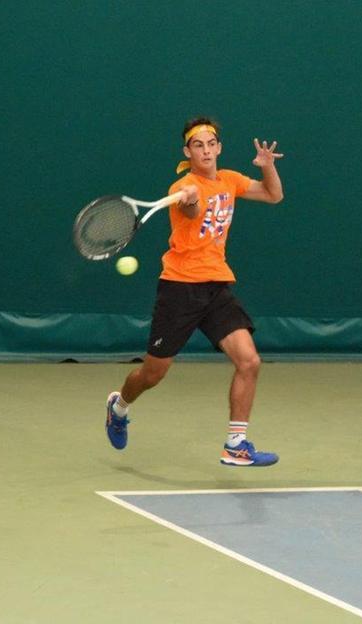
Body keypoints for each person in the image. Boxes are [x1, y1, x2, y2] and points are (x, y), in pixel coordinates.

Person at [105, 117, 284, 467]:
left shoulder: (230, 180)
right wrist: (188, 197)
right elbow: (193, 207)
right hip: (179, 289)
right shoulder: (183, 186)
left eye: (210, 143)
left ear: (218, 147)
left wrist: (266, 168)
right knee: (153, 373)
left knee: (249, 361)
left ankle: (236, 445)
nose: (205, 150)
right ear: (188, 151)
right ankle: (119, 406)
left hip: (216, 286)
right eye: (197, 145)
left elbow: (273, 195)